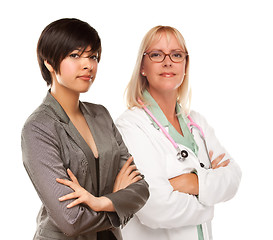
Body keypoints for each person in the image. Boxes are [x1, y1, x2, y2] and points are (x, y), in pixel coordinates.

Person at [21, 18, 149, 240]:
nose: (88, 65)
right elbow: (71, 220)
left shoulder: (101, 115)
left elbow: (141, 188)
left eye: (93, 56)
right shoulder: (38, 128)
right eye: (75, 55)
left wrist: (101, 202)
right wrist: (117, 202)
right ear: (49, 63)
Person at [116, 25, 242, 240]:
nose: (168, 61)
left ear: (185, 65)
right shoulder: (130, 126)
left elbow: (233, 177)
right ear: (142, 67)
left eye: (176, 54)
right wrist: (210, 200)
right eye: (156, 54)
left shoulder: (196, 122)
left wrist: (193, 182)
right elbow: (154, 207)